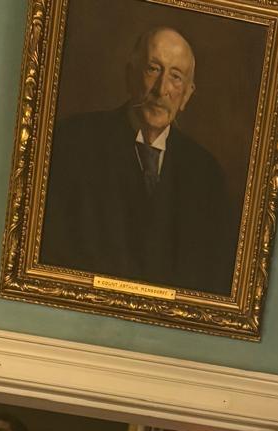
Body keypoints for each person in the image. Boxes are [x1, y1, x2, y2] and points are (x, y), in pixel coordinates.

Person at [41, 25, 238, 295]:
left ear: (187, 95)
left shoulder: (206, 173)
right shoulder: (72, 142)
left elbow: (212, 277)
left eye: (176, 77)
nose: (161, 89)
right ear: (130, 75)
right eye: (153, 69)